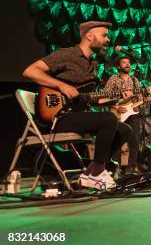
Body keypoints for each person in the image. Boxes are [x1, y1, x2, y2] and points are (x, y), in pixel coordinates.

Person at [22, 21, 132, 190]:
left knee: (125, 129)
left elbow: (90, 98)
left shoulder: (92, 64)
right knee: (108, 119)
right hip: (59, 117)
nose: (108, 40)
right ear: (89, 36)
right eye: (104, 35)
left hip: (77, 114)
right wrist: (61, 86)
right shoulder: (68, 55)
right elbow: (30, 71)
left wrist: (115, 100)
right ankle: (97, 174)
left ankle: (91, 172)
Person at [104, 55, 147, 174]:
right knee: (118, 140)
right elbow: (105, 96)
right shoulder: (113, 79)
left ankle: (131, 168)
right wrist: (116, 107)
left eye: (129, 63)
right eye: (124, 62)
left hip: (133, 113)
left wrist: (145, 99)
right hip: (118, 113)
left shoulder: (135, 80)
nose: (128, 64)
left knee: (135, 141)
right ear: (118, 66)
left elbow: (139, 98)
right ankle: (117, 169)